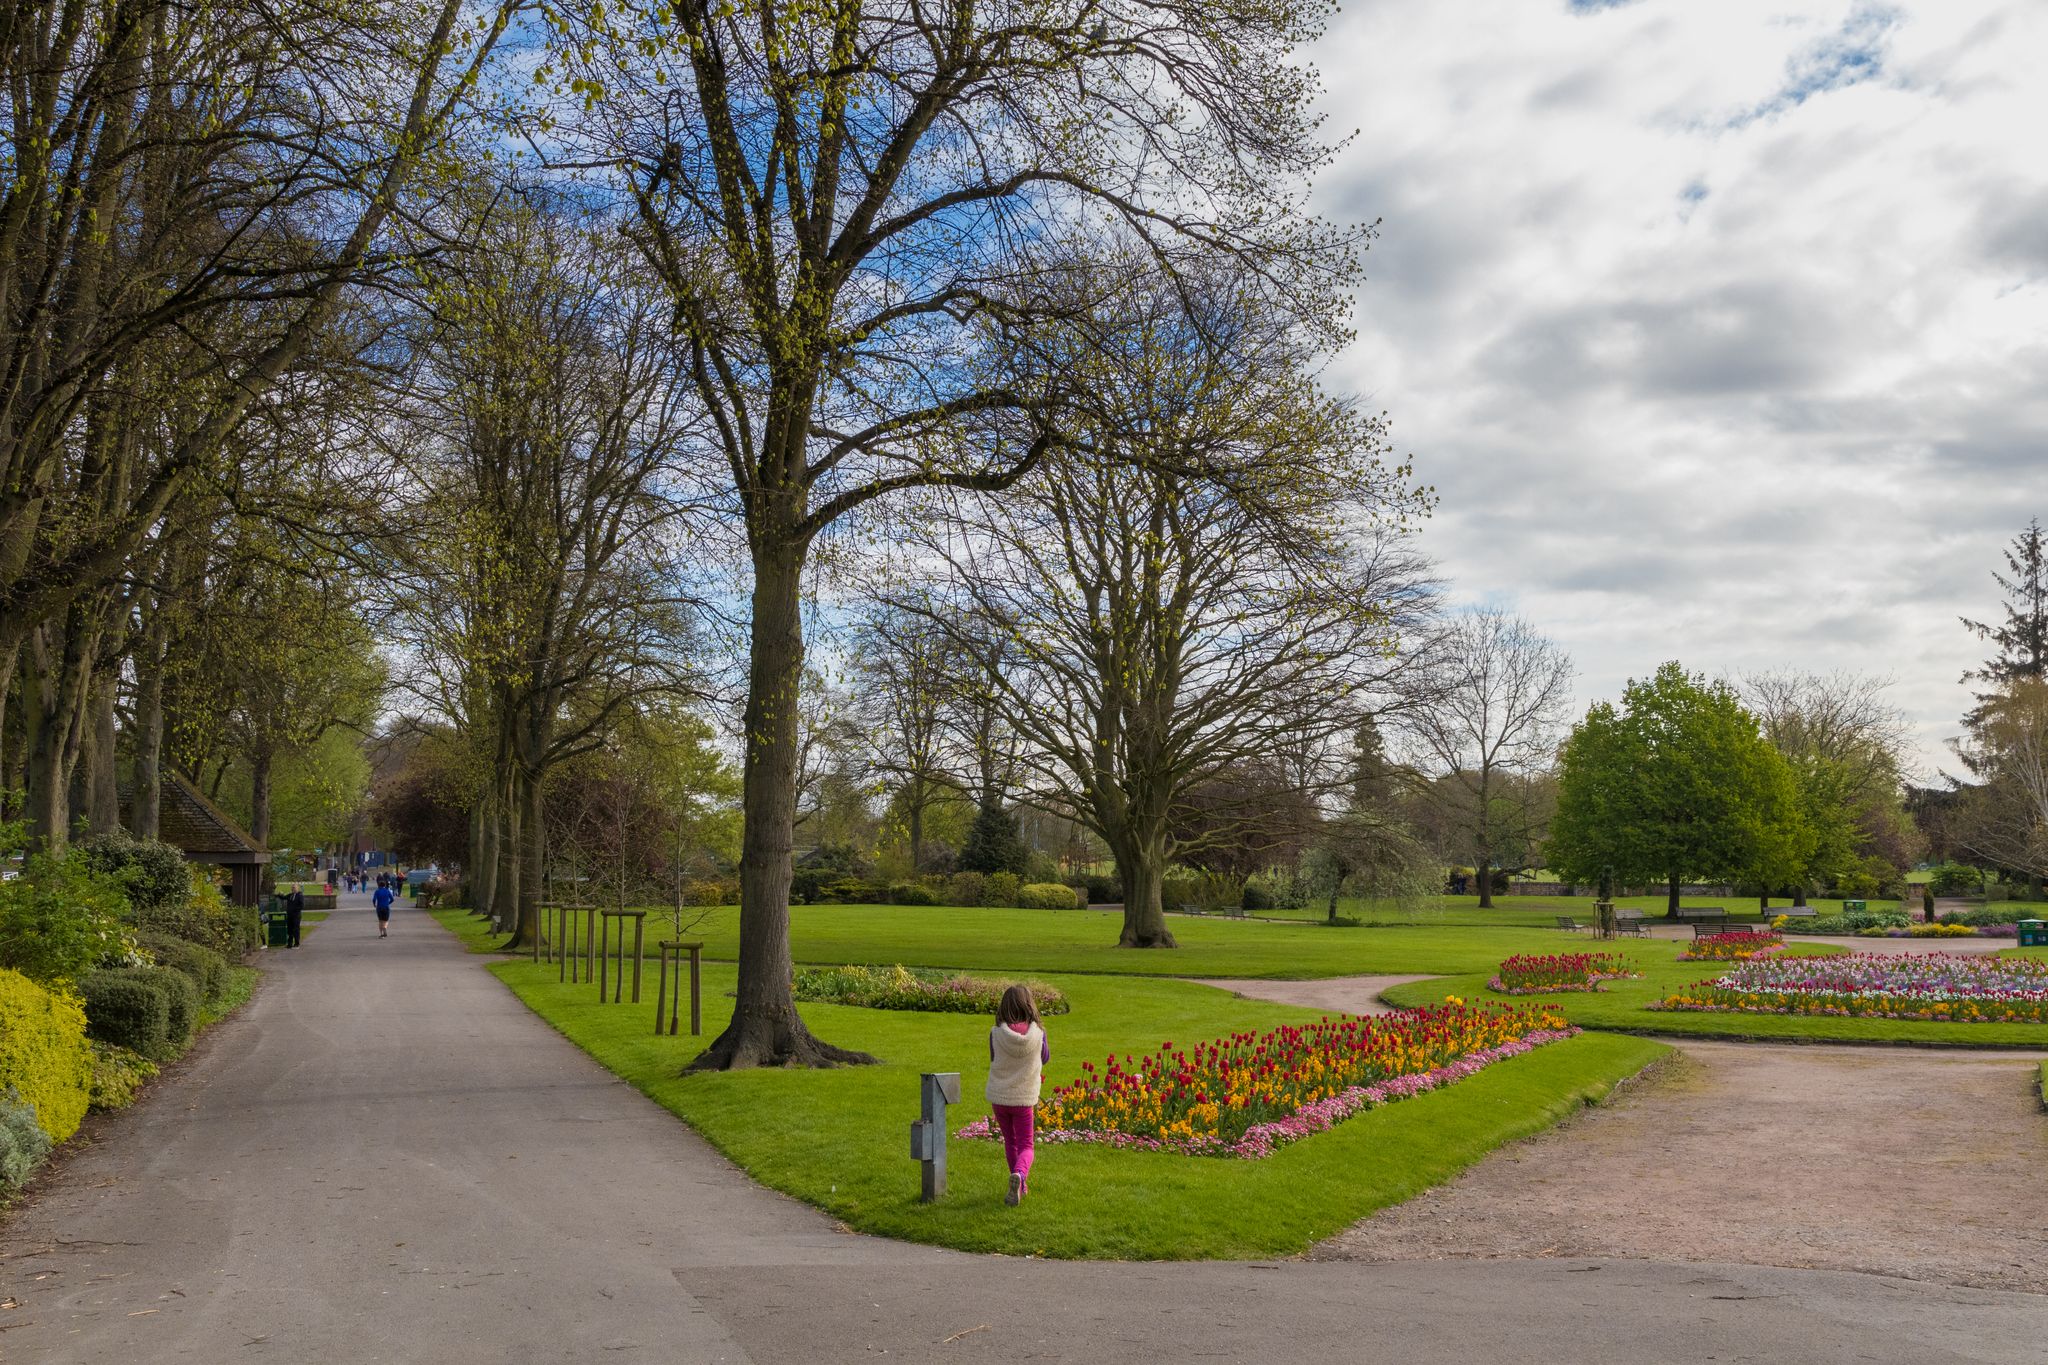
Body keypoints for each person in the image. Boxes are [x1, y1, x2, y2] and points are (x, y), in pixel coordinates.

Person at [984, 984, 1049, 1206]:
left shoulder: (995, 1034)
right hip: (1023, 1099)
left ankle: (1019, 1185)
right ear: (1029, 1005)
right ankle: (1020, 1175)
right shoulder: (1039, 1035)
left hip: (1000, 1098)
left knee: (1010, 1142)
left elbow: (994, 1058)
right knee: (1027, 1145)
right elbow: (1045, 1057)